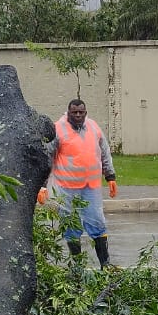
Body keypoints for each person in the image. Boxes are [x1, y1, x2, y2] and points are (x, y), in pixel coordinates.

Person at [38, 99, 117, 267]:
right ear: (69, 112)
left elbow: (104, 151)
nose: (78, 115)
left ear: (85, 112)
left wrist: (110, 176)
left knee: (98, 223)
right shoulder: (58, 129)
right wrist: (42, 185)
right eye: (75, 112)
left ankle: (106, 264)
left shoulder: (93, 127)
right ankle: (77, 267)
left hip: (91, 187)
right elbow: (47, 158)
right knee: (71, 226)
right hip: (67, 189)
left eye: (81, 112)